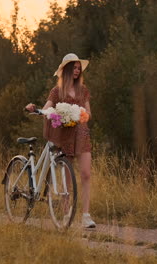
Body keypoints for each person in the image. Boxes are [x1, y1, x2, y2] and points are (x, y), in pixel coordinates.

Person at [25, 53, 96, 228]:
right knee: (67, 179)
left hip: (81, 134)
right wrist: (36, 109)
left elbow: (88, 112)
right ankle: (66, 214)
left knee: (86, 174)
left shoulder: (83, 90)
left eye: (79, 68)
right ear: (66, 70)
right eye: (74, 67)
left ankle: (86, 215)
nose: (77, 71)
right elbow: (47, 108)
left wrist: (80, 115)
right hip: (65, 135)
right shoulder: (57, 91)